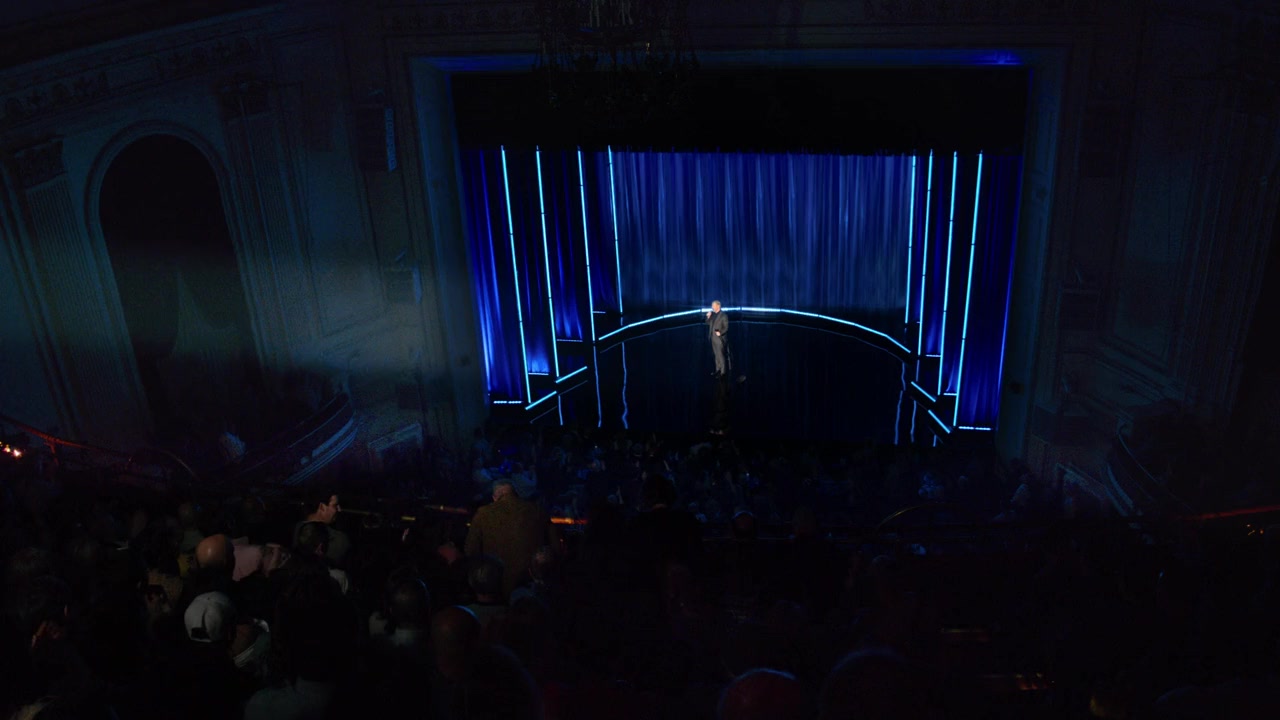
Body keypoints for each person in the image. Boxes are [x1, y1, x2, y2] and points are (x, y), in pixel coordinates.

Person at [706, 300, 729, 377]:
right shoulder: (713, 314)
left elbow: (726, 327)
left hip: (719, 339)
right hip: (713, 337)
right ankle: (717, 370)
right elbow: (707, 323)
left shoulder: (723, 315)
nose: (712, 307)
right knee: (716, 355)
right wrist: (708, 316)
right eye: (712, 305)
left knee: (720, 355)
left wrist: (720, 332)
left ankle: (723, 372)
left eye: (713, 305)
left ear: (718, 306)